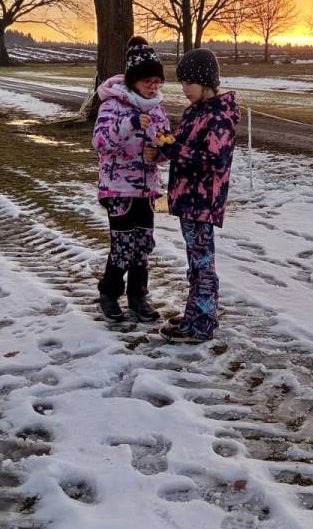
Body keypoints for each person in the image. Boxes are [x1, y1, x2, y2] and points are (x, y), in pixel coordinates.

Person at [148, 48, 239, 343]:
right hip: (187, 198)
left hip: (202, 202)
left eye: (189, 82)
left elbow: (216, 161)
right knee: (195, 261)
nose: (184, 89)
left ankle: (201, 324)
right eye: (182, 83)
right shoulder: (194, 112)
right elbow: (183, 147)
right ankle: (197, 312)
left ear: (206, 81)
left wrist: (175, 149)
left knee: (202, 264)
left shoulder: (219, 116)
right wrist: (165, 146)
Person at [92, 36, 170, 323]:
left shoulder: (158, 108)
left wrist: (160, 153)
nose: (154, 87)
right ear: (134, 80)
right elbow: (100, 143)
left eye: (157, 82)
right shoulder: (112, 105)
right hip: (118, 188)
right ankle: (109, 294)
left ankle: (138, 297)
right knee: (123, 245)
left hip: (147, 189)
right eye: (148, 81)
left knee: (143, 245)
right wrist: (130, 125)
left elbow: (165, 143)